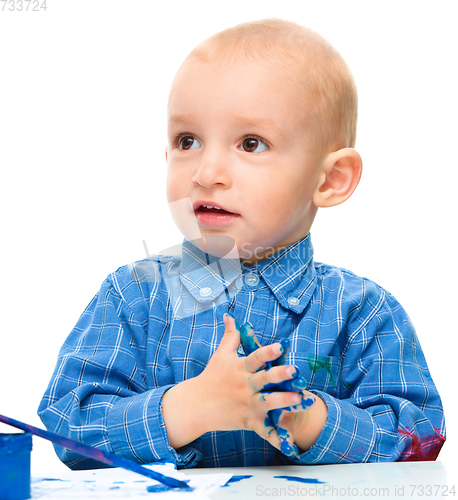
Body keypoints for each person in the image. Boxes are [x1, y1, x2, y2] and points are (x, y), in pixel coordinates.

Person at [38, 18, 445, 469]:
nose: (206, 172)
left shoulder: (364, 313)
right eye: (187, 141)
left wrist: (309, 420)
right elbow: (67, 424)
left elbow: (419, 443)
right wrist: (185, 408)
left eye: (251, 143)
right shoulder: (133, 295)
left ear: (330, 179)